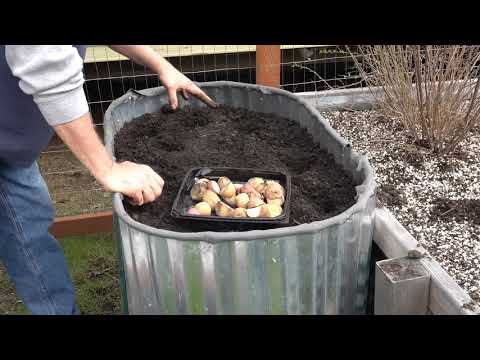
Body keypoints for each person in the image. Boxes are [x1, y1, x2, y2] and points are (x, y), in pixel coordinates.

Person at [0, 45, 218, 315]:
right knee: (28, 235)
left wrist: (161, 65)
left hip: (9, 149)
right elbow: (45, 62)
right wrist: (108, 169)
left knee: (29, 234)